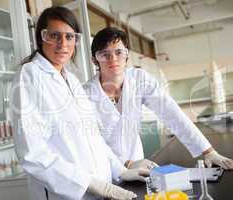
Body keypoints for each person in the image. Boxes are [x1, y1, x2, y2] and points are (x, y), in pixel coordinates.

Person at [10, 7, 152, 200]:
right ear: (41, 37)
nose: (63, 44)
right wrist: (89, 183)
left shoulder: (72, 80)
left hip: (98, 190)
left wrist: (120, 171)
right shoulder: (29, 75)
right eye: (54, 35)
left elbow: (93, 137)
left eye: (69, 37)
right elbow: (33, 153)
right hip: (65, 194)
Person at [83, 27, 233, 170]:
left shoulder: (139, 79)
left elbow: (172, 113)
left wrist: (208, 151)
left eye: (119, 52)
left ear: (127, 54)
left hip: (138, 165)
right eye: (105, 54)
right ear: (95, 60)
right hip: (108, 169)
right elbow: (92, 142)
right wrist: (125, 164)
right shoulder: (85, 94)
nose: (113, 59)